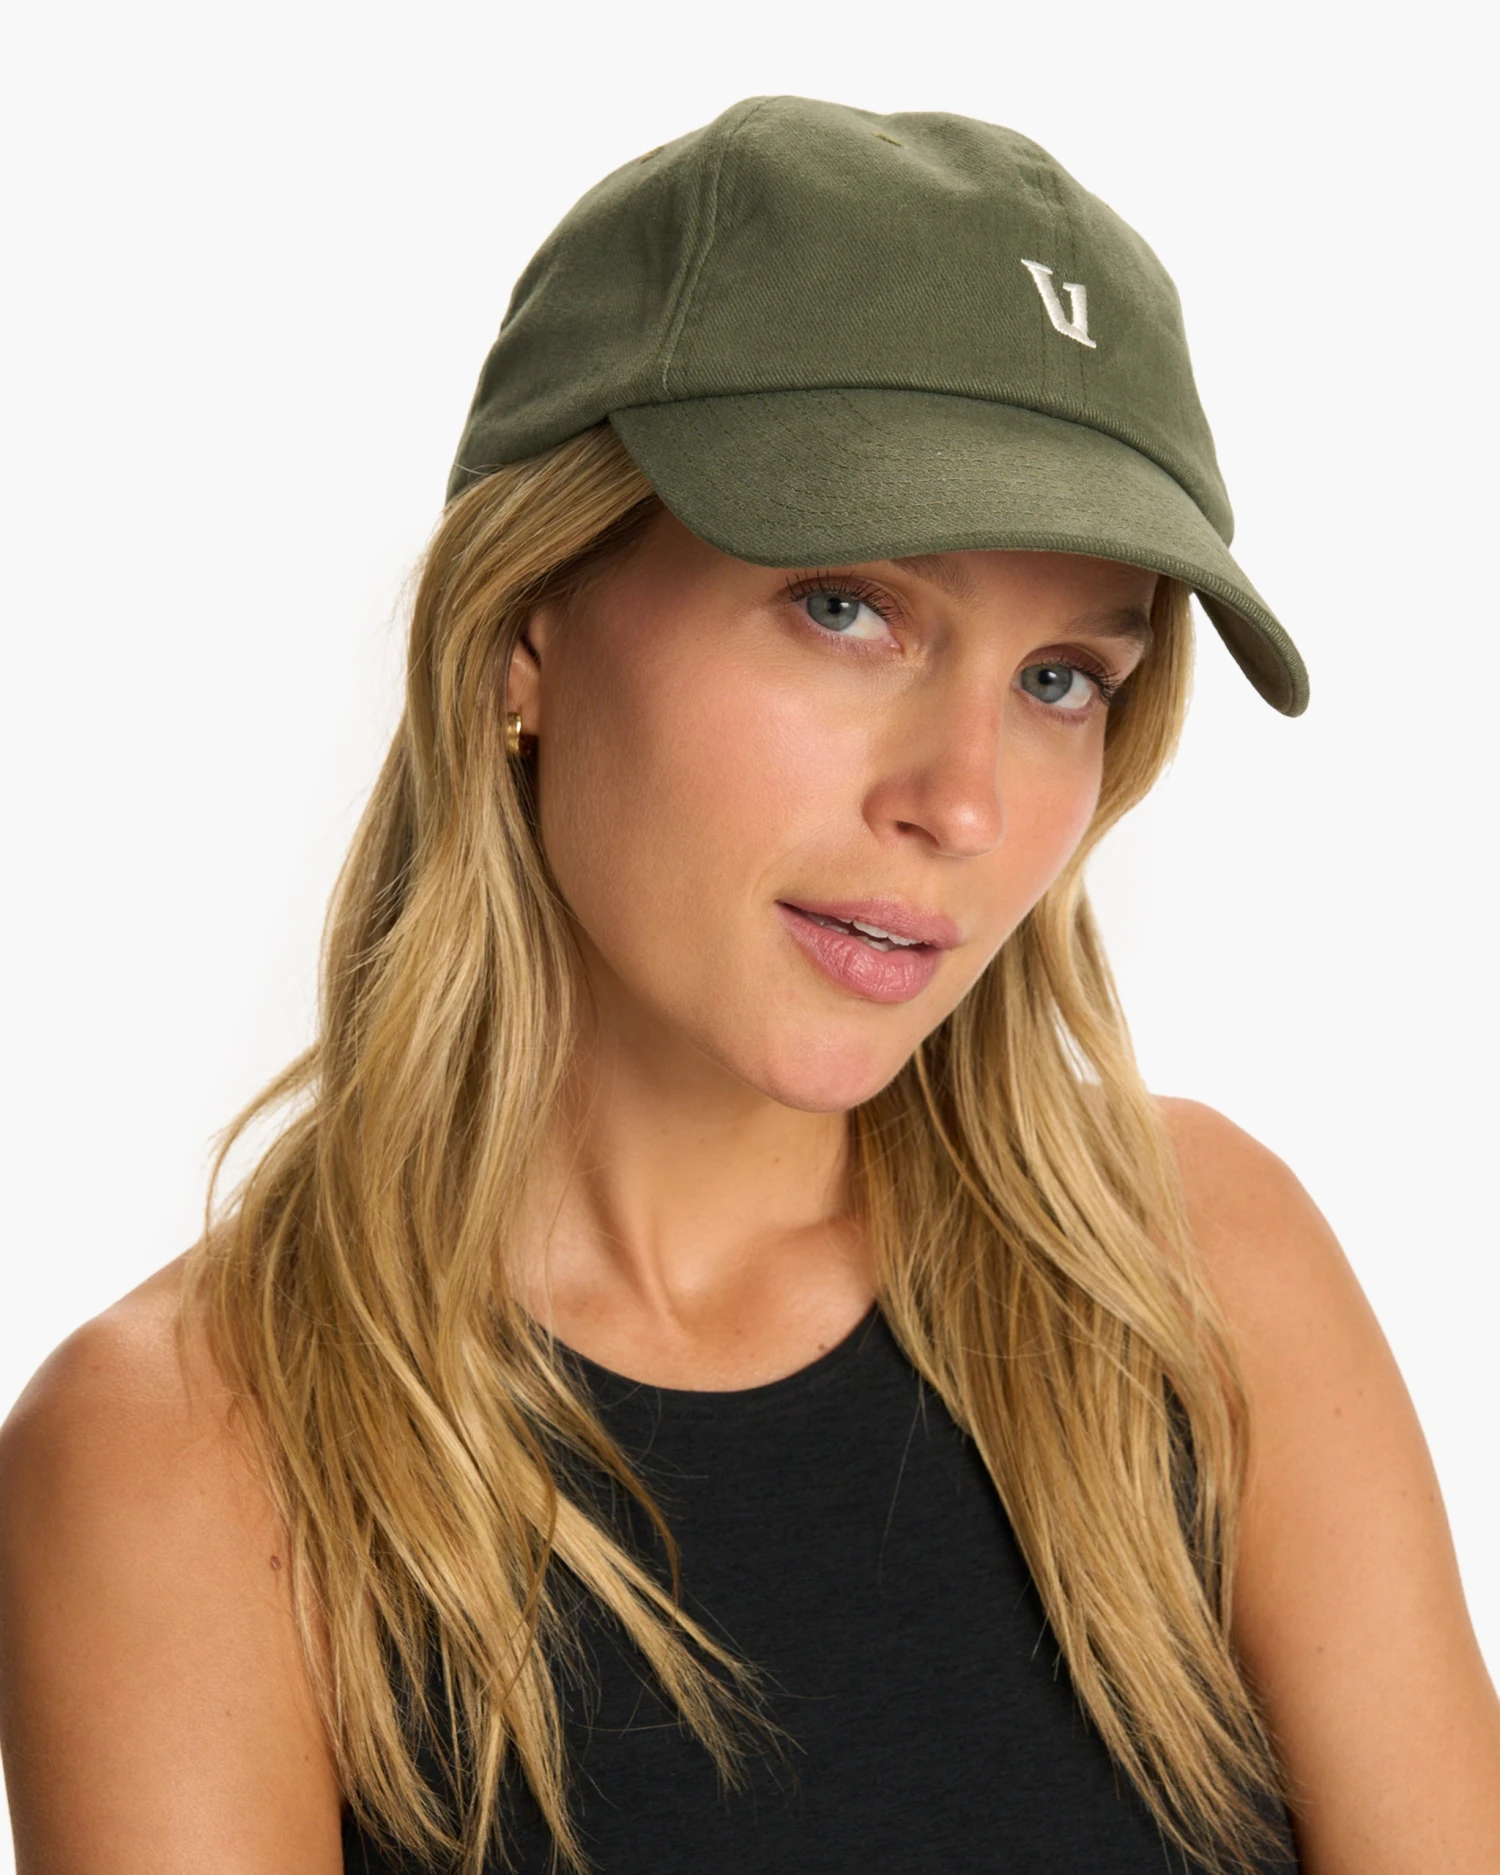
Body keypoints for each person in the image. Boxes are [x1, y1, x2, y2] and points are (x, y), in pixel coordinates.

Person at [1, 93, 1496, 1875]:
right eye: (848, 608)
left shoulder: (1197, 1276)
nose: (960, 803)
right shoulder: (186, 1459)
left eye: (1060, 679)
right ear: (528, 626)